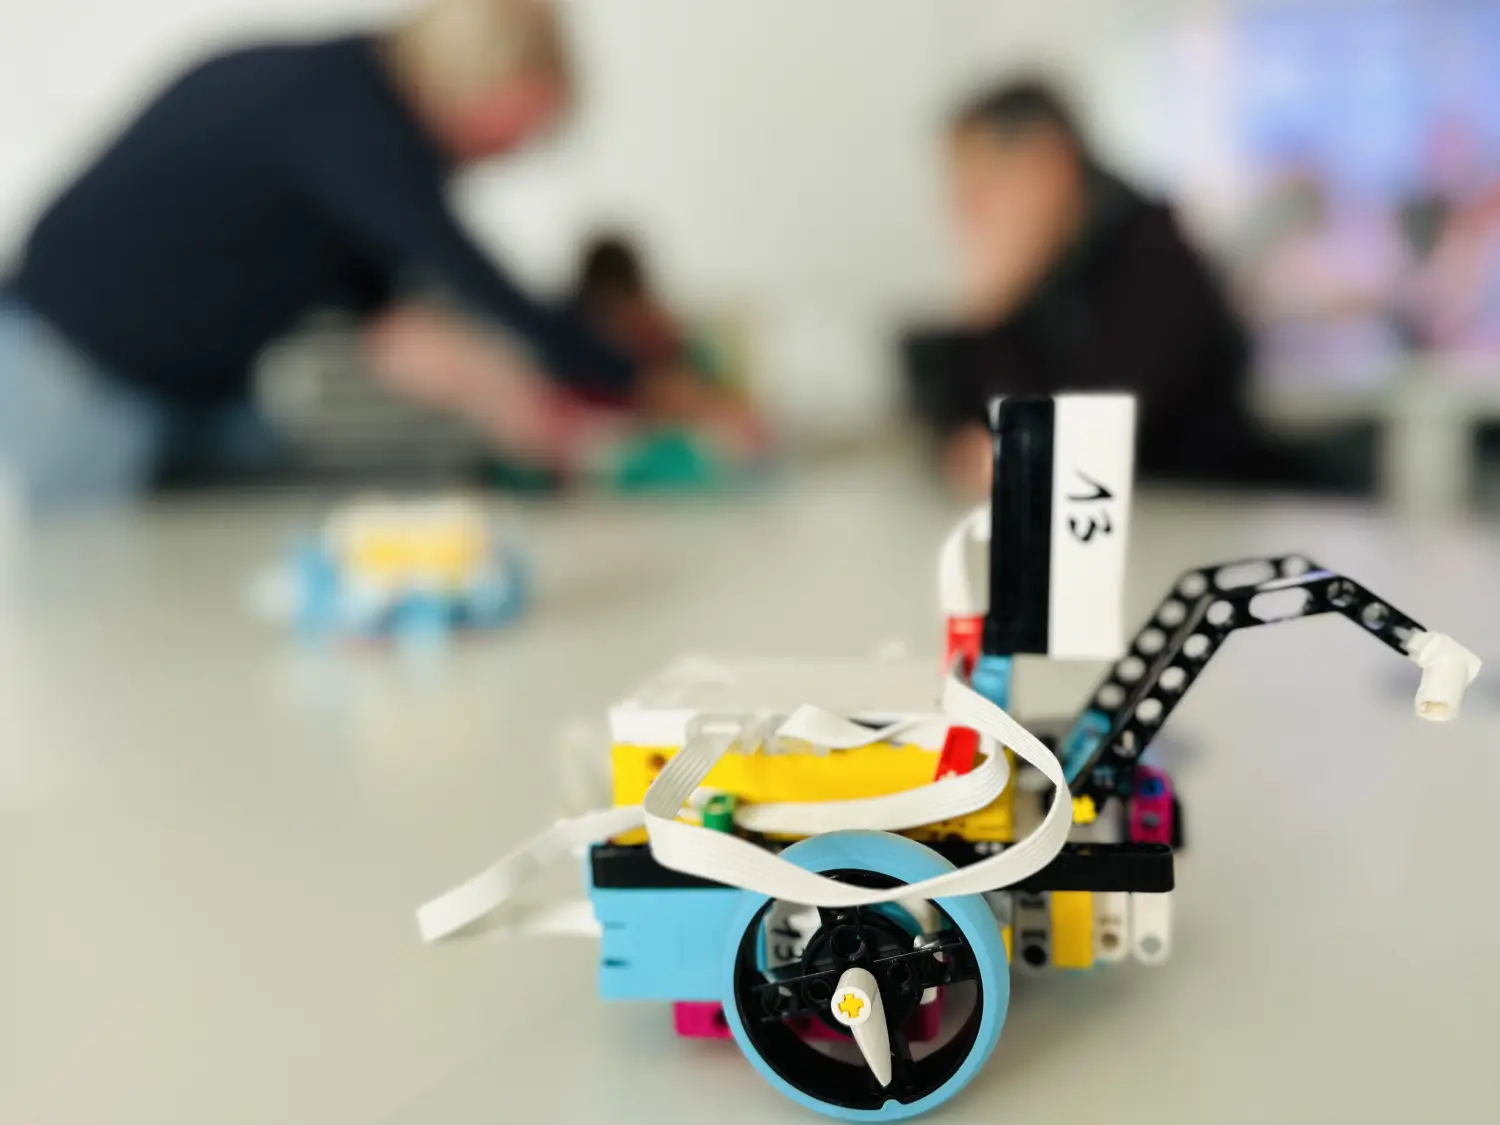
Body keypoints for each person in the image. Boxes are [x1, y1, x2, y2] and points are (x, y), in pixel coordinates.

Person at [0, 0, 742, 513]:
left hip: (204, 392)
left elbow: (393, 319)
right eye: (529, 119)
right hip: (73, 370)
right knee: (97, 613)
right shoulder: (349, 110)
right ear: (490, 76)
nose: (523, 148)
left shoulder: (357, 144)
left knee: (253, 558)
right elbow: (479, 284)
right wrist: (651, 382)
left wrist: (514, 404)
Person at [928, 80, 1277, 497]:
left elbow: (1094, 432)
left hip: (1203, 511)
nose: (966, 209)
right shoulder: (1044, 276)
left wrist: (996, 309)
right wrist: (990, 312)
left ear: (1048, 166)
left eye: (983, 182)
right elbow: (965, 427)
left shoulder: (1155, 260)